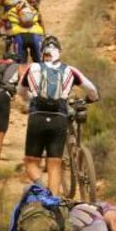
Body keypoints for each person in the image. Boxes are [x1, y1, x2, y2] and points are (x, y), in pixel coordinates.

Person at [19, 35, 98, 195]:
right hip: (59, 118)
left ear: (42, 52)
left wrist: (30, 101)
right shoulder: (70, 70)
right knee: (55, 164)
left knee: (30, 163)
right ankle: (53, 202)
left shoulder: (32, 68)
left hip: (37, 116)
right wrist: (91, 99)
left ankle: (41, 189)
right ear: (59, 53)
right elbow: (92, 90)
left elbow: (21, 92)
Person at [0, 0, 45, 65]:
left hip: (19, 38)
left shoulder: (10, 12)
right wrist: (43, 34)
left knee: (19, 65)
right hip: (36, 36)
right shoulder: (34, 10)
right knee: (40, 64)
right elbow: (41, 25)